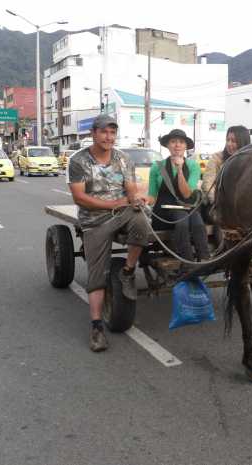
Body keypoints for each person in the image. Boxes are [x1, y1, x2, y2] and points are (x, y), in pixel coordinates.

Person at [68, 114, 152, 352]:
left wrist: (135, 199)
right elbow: (79, 197)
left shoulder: (123, 159)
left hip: (122, 213)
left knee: (142, 222)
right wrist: (113, 204)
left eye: (112, 132)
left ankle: (127, 272)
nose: (109, 137)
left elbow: (130, 189)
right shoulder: (78, 161)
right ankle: (96, 328)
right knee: (97, 276)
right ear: (93, 133)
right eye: (104, 132)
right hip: (94, 220)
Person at [148, 129, 210, 263]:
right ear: (167, 145)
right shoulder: (157, 166)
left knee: (198, 222)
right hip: (163, 212)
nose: (177, 145)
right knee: (182, 220)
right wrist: (143, 200)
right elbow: (152, 196)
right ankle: (187, 262)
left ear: (186, 146)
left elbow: (187, 194)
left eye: (181, 142)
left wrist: (180, 169)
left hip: (186, 207)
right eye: (173, 142)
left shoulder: (193, 166)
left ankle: (205, 259)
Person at [202, 125, 251, 204]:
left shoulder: (251, 161)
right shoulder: (216, 158)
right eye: (227, 140)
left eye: (233, 141)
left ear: (243, 142)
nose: (229, 144)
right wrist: (217, 202)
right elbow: (208, 183)